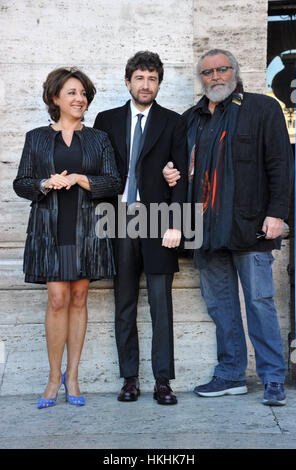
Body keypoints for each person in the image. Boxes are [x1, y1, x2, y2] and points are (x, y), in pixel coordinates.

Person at [163, 49, 294, 406]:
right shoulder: (189, 119)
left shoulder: (263, 109)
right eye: (208, 72)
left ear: (234, 72)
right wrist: (169, 173)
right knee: (220, 306)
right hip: (206, 230)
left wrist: (277, 214)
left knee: (259, 302)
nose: (216, 76)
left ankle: (271, 378)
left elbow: (281, 164)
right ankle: (232, 374)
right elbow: (178, 168)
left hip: (251, 225)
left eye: (223, 69)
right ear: (201, 79)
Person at [13, 67, 121, 408]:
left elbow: (113, 182)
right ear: (55, 98)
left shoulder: (98, 139)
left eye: (84, 93)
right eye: (72, 92)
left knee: (79, 299)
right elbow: (21, 183)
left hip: (87, 228)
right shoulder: (36, 138)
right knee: (57, 299)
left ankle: (72, 377)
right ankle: (51, 377)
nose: (80, 99)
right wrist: (45, 183)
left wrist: (77, 177)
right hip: (50, 228)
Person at [94, 51, 187, 405]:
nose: (145, 84)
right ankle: (129, 379)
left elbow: (181, 178)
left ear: (159, 83)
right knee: (125, 302)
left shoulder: (173, 122)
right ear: (128, 81)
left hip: (159, 220)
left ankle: (163, 380)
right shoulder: (106, 119)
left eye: (152, 79)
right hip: (117, 219)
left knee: (161, 304)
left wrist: (177, 222)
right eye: (140, 78)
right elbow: (98, 169)